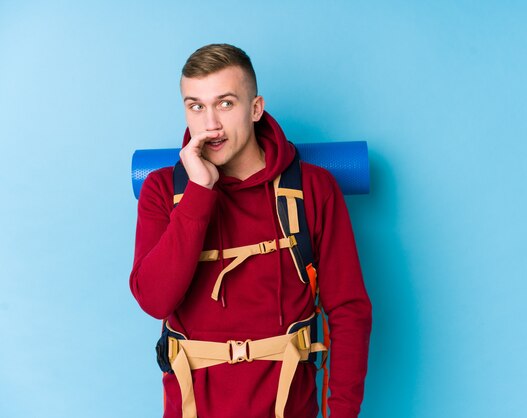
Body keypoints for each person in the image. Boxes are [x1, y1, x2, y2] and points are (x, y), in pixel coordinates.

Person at [129, 43, 372, 418]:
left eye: (225, 103)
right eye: (196, 106)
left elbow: (349, 311)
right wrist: (199, 192)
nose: (210, 125)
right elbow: (154, 301)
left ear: (255, 108)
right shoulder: (164, 190)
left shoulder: (314, 188)